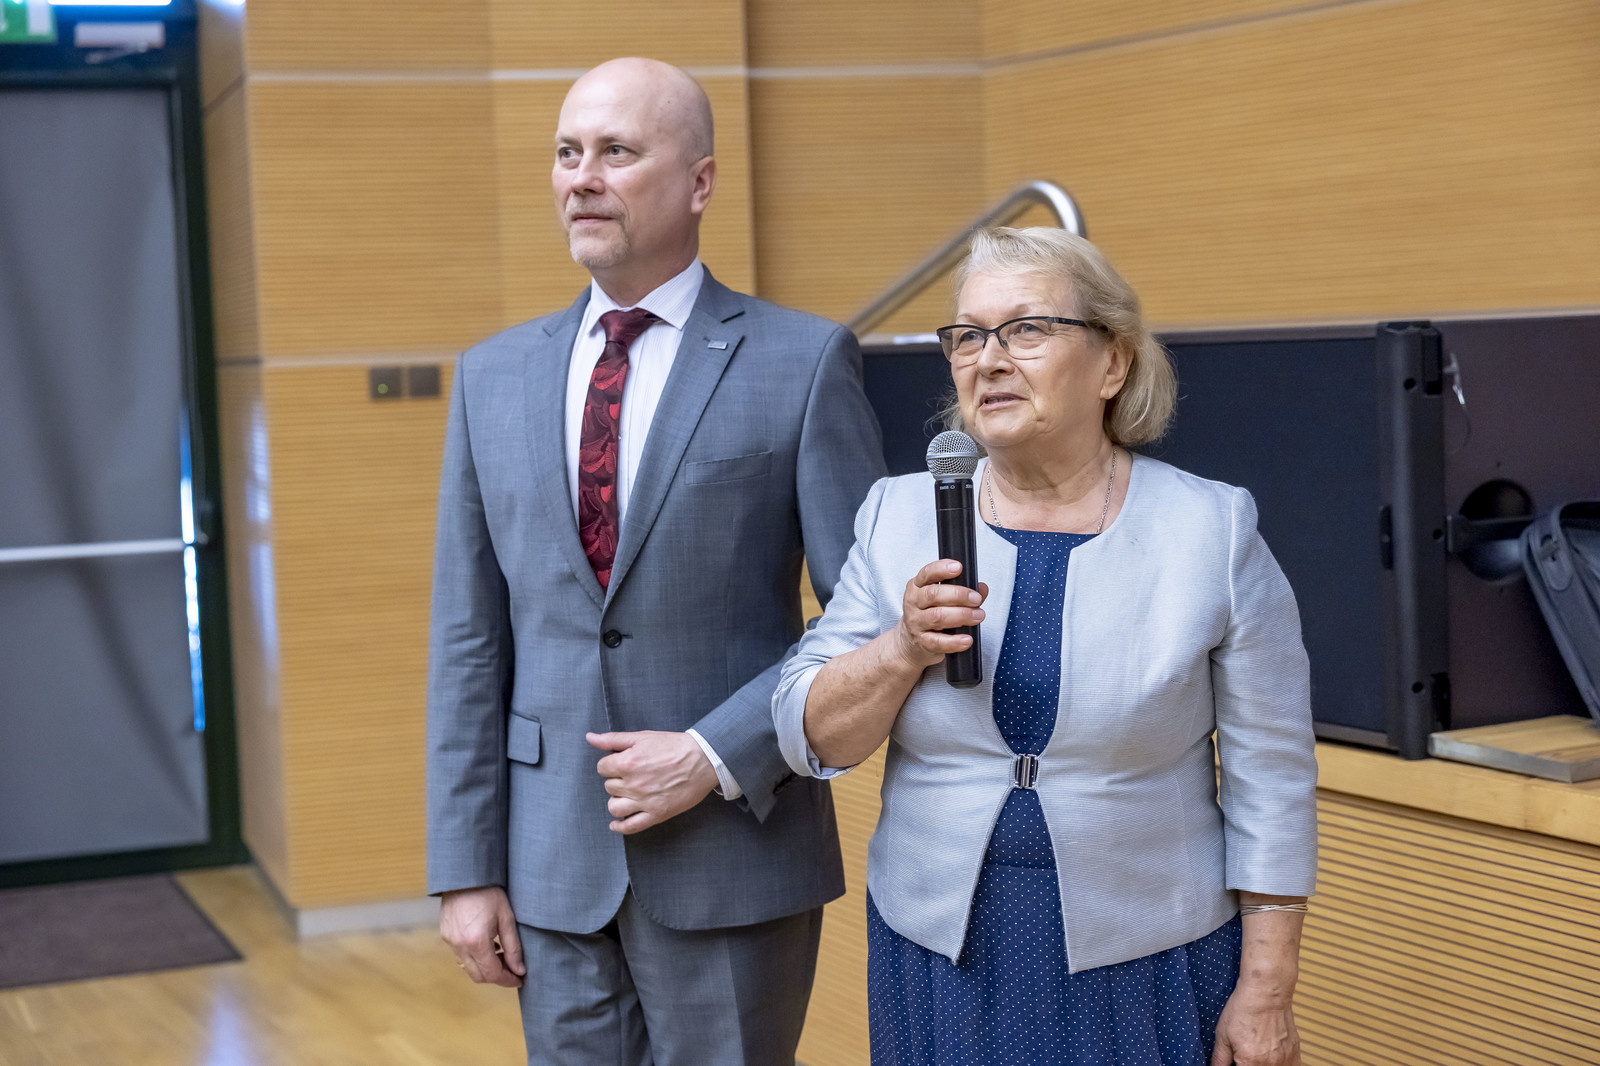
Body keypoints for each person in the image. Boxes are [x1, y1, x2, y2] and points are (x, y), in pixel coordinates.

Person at [427, 57, 885, 1065]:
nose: (582, 178)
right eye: (567, 153)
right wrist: (465, 867)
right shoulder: (492, 376)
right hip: (550, 864)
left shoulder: (802, 362)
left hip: (734, 850)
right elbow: (468, 637)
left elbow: (866, 617)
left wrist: (716, 752)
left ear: (700, 181)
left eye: (617, 152)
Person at [774, 227, 1318, 1066]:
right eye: (967, 336)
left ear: (1113, 363)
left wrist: (1267, 990)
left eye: (1026, 329)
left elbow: (1271, 781)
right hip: (938, 949)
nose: (988, 360)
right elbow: (809, 733)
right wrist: (901, 649)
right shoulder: (897, 515)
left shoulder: (1210, 528)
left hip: (1148, 954)